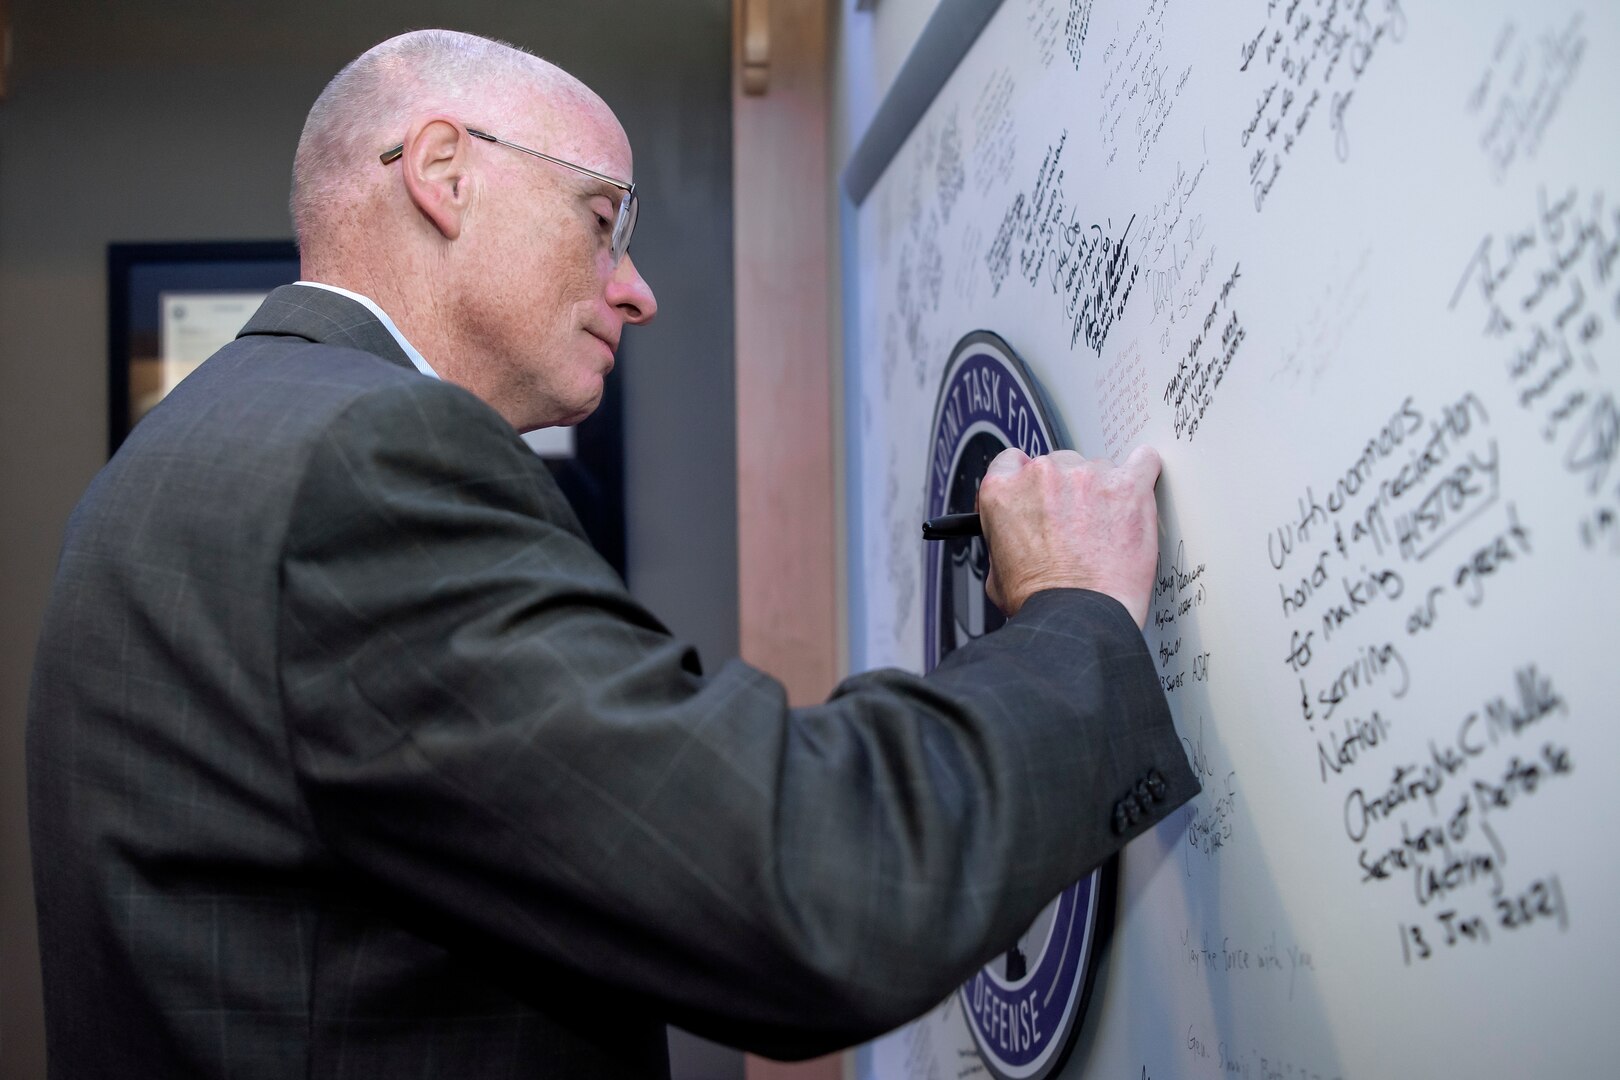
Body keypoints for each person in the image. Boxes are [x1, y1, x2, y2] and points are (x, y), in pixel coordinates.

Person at [26, 29, 1197, 1080]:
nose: (636, 292)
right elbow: (810, 890)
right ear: (443, 173)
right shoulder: (364, 459)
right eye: (603, 222)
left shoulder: (186, 451)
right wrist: (1069, 613)